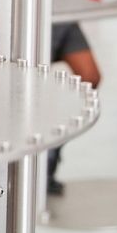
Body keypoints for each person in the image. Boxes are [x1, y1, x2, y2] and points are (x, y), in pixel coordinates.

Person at [46, 22, 101, 196]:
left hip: (64, 18)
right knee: (26, 85)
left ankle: (50, 152)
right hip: (34, 16)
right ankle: (39, 166)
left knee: (90, 77)